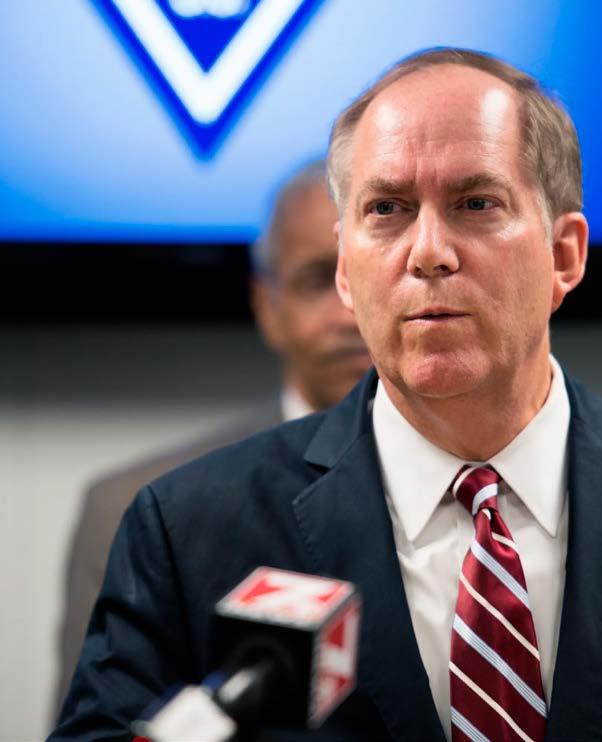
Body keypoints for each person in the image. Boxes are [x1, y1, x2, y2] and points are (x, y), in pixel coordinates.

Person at [50, 49, 602, 742]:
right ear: (346, 271)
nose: (428, 251)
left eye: (476, 203)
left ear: (565, 255)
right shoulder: (189, 531)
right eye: (387, 209)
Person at [52, 159, 371, 720]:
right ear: (266, 305)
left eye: (369, 274)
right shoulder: (136, 508)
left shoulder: (489, 492)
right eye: (319, 278)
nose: (351, 313)